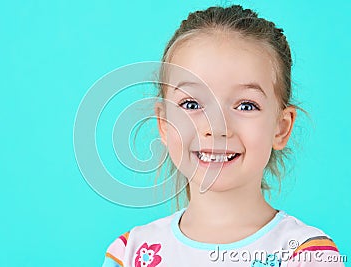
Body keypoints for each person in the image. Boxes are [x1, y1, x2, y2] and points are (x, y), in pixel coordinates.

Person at [101, 5, 345, 267]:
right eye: (192, 104)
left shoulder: (307, 255)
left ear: (281, 127)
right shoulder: (130, 253)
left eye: (246, 105)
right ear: (164, 123)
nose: (216, 127)